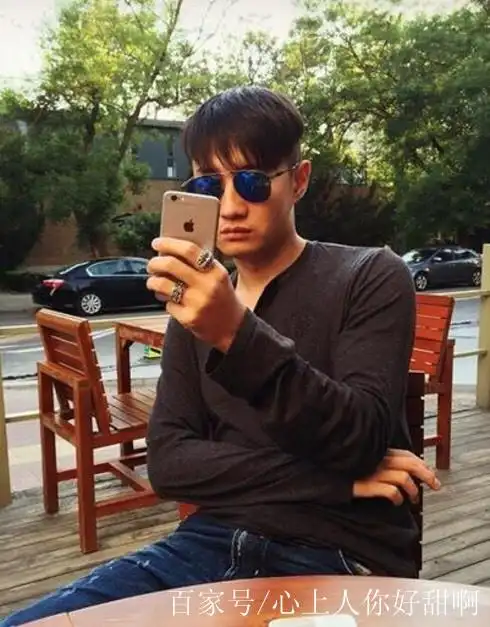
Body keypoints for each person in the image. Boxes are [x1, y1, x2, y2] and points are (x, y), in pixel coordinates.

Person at [1, 86, 440, 626]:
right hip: (207, 544)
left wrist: (234, 332)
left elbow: (361, 435)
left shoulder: (369, 275)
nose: (230, 206)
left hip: (339, 552)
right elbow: (170, 462)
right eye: (209, 185)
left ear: (299, 180)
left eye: (252, 181)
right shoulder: (193, 310)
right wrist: (337, 482)